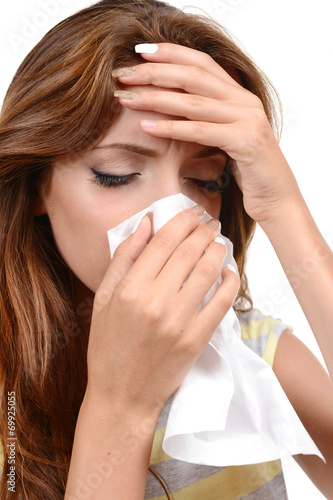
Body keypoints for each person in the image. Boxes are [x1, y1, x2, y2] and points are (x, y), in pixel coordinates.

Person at [0, 0, 332, 498]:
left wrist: (283, 206)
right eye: (118, 175)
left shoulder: (246, 350)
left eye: (205, 180)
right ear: (36, 188)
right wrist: (121, 405)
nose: (171, 217)